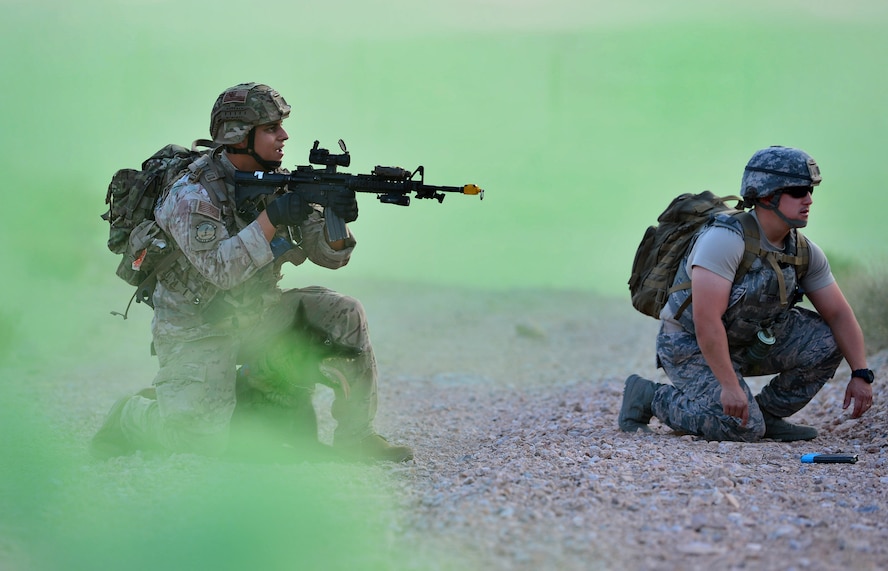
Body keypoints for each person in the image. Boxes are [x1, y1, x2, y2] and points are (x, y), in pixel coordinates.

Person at [92, 82, 413, 462]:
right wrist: (272, 218)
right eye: (271, 128)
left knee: (344, 312)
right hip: (196, 328)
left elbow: (331, 257)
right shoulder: (190, 194)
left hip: (257, 316)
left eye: (281, 125)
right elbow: (221, 271)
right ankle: (133, 414)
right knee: (197, 440)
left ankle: (357, 437)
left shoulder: (278, 182)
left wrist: (336, 219)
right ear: (239, 136)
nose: (284, 135)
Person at [619, 145, 875, 442]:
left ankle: (766, 416)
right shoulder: (724, 241)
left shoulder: (802, 250)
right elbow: (706, 320)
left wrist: (861, 373)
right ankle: (649, 397)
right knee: (741, 427)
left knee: (829, 341)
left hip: (745, 342)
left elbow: (839, 314)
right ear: (767, 196)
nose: (809, 200)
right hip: (689, 345)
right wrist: (729, 386)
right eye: (798, 191)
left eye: (811, 190)